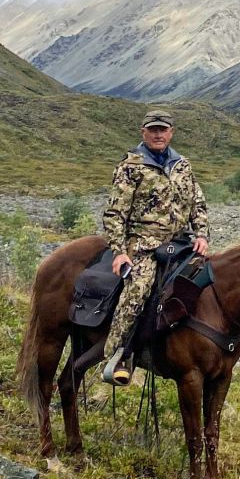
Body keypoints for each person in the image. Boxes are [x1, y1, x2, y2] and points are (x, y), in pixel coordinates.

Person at [99, 110, 210, 385]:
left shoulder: (182, 165)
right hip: (144, 244)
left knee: (211, 282)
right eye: (153, 130)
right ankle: (118, 356)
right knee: (137, 291)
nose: (158, 134)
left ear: (171, 132)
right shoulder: (131, 166)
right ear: (143, 132)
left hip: (181, 243)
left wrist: (202, 235)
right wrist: (119, 251)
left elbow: (198, 204)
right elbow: (115, 213)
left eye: (163, 129)